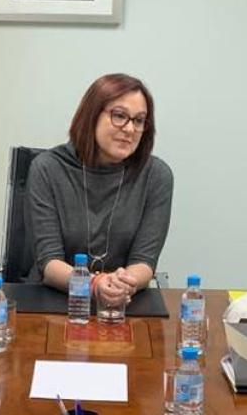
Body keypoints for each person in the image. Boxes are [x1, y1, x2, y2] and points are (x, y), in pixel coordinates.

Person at [26, 73, 174, 308]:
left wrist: (123, 284)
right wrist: (93, 284)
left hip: (122, 303)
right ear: (91, 115)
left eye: (138, 120)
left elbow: (145, 262)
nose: (129, 129)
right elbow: (49, 262)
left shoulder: (156, 176)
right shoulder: (47, 169)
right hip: (55, 301)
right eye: (119, 116)